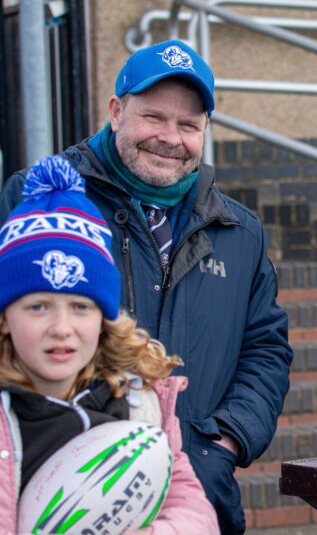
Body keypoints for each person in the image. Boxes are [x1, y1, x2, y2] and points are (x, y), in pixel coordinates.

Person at [0, 40, 292, 533]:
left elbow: (265, 348)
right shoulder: (42, 205)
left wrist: (223, 442)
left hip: (195, 491)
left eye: (188, 125)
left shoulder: (239, 231)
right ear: (116, 111)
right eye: (153, 117)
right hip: (53, 499)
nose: (169, 138)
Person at [0, 155, 218, 534]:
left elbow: (194, 512)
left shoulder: (140, 399)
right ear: (5, 318)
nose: (61, 328)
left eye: (81, 307)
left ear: (104, 318)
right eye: (38, 307)